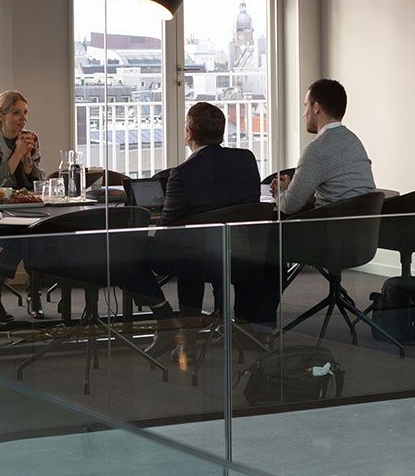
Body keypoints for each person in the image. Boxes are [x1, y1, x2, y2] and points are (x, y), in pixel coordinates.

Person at [158, 102, 262, 318]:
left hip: (201, 260)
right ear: (221, 132)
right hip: (245, 253)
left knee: (180, 250)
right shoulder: (246, 159)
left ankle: (174, 323)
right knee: (193, 246)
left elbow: (166, 229)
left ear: (189, 133)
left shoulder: (183, 173)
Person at [0, 90, 43, 322]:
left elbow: (37, 183)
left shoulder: (30, 138)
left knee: (37, 233)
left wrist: (28, 162)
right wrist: (16, 155)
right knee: (23, 238)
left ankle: (31, 295)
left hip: (22, 207)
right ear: (1, 115)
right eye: (15, 113)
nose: (23, 118)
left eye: (25, 113)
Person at [278, 78, 375, 216]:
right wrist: (291, 188)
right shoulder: (355, 142)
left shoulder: (316, 150)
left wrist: (279, 191)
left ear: (316, 108)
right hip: (363, 233)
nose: (304, 113)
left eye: (306, 106)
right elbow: (338, 188)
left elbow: (288, 206)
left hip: (329, 232)